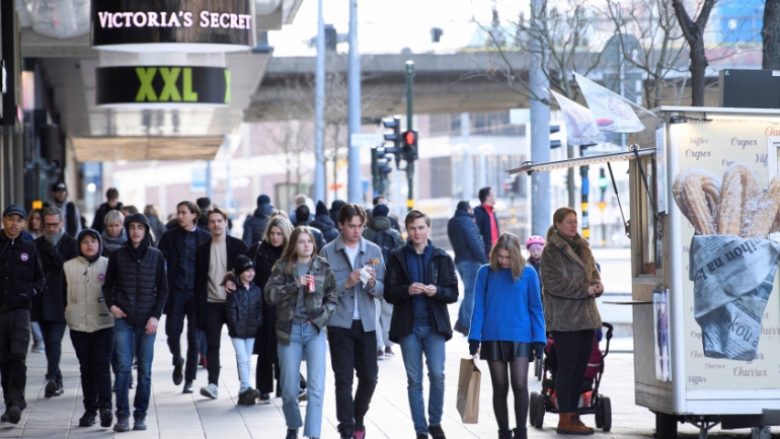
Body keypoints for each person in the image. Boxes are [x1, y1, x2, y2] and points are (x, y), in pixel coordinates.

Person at [384, 210, 459, 439]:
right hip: (409, 327)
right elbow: (389, 293)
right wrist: (406, 290)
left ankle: (435, 422)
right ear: (407, 230)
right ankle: (421, 429)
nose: (417, 232)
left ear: (428, 229)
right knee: (414, 380)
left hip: (435, 326)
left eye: (421, 227)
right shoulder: (397, 257)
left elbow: (453, 293)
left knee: (437, 374)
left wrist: (437, 291)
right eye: (412, 228)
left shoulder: (441, 256)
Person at [468, 233, 546, 439]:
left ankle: (521, 432)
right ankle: (503, 431)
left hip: (522, 335)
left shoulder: (529, 274)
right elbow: (479, 307)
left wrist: (539, 339)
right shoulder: (485, 272)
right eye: (500, 256)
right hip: (493, 335)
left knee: (520, 384)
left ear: (516, 255)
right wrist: (474, 337)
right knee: (500, 386)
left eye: (508, 257)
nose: (504, 261)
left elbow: (536, 308)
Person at [319, 203, 385, 439]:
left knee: (369, 377)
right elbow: (322, 291)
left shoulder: (374, 251)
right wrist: (346, 283)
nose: (357, 231)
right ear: (341, 224)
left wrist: (371, 284)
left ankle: (358, 417)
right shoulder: (328, 251)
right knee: (343, 379)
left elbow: (382, 290)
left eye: (360, 226)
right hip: (339, 323)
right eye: (352, 226)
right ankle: (347, 428)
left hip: (367, 323)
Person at [266, 226, 338, 439]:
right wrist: (295, 285)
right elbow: (269, 295)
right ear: (294, 245)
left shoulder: (322, 266)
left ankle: (313, 434)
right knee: (289, 389)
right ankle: (293, 424)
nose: (306, 245)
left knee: (316, 387)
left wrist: (322, 318)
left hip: (314, 330)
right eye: (301, 241)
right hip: (289, 332)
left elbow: (332, 296)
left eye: (309, 241)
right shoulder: (282, 267)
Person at [540, 207, 603, 436]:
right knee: (566, 369)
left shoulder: (583, 247)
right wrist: (582, 289)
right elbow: (552, 284)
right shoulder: (551, 251)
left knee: (580, 369)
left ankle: (574, 415)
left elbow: (593, 273)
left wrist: (597, 286)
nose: (574, 225)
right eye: (569, 222)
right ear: (557, 224)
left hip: (587, 317)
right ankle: (565, 418)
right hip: (565, 319)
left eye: (575, 221)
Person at [103, 213, 168, 432]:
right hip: (124, 320)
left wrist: (156, 316)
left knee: (145, 371)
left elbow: (163, 290)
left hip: (147, 322)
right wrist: (111, 305)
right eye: (132, 227)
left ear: (146, 230)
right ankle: (122, 416)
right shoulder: (118, 255)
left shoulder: (156, 256)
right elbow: (107, 285)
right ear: (127, 230)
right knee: (122, 368)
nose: (136, 231)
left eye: (140, 227)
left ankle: (140, 415)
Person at [157, 201, 210, 394]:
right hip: (176, 292)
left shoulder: (205, 237)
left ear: (194, 215)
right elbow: (157, 257)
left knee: (194, 338)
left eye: (183, 212)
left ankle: (189, 379)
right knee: (172, 333)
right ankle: (177, 360)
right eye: (178, 212)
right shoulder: (170, 236)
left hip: (197, 294)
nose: (180, 216)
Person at [63, 229, 114, 428]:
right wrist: (68, 314)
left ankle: (106, 409)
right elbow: (62, 294)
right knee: (86, 368)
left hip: (104, 324)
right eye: (85, 241)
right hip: (78, 326)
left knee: (101, 365)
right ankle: (90, 410)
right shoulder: (68, 266)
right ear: (79, 245)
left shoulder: (108, 265)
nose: (89, 245)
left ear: (99, 243)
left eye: (93, 241)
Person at [195, 207, 248, 399]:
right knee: (212, 346)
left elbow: (248, 274)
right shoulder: (202, 250)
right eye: (212, 221)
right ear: (208, 225)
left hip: (233, 304)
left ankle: (245, 384)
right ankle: (213, 384)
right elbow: (198, 280)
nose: (216, 224)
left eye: (219, 220)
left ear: (226, 222)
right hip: (211, 304)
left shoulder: (238, 246)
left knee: (240, 346)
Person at [0, 204, 45, 424]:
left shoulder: (29, 246)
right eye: (10, 219)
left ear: (24, 223)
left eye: (19, 220)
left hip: (21, 312)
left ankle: (17, 402)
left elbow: (40, 278)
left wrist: (31, 292)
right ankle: (10, 405)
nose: (14, 224)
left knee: (18, 356)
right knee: (4, 360)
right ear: (3, 220)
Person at [247, 216, 293, 403]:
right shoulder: (259, 250)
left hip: (286, 306)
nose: (275, 237)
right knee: (265, 348)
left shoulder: (292, 252)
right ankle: (264, 388)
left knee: (284, 347)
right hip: (264, 305)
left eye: (279, 233)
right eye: (272, 233)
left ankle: (284, 387)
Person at [33, 206, 78, 398]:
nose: (51, 229)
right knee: (49, 343)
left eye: (55, 225)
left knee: (54, 341)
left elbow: (69, 269)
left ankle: (51, 377)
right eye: (48, 225)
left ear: (61, 224)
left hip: (62, 301)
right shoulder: (37, 244)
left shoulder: (71, 244)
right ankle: (56, 378)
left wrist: (53, 251)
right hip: (41, 301)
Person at [362, 203, 403, 360]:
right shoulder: (394, 233)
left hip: (371, 276)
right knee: (388, 314)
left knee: (374, 312)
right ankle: (388, 346)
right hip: (391, 278)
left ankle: (378, 347)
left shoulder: (366, 233)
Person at [224, 254, 263, 406]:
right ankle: (246, 387)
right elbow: (230, 311)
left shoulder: (256, 289)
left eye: (252, 270)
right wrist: (234, 324)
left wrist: (258, 322)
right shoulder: (233, 289)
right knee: (242, 358)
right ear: (240, 272)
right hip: (237, 332)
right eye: (247, 270)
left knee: (247, 359)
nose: (250, 273)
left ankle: (244, 391)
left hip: (251, 330)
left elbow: (259, 309)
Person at [447, 201, 489, 336]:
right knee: (472, 293)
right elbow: (474, 242)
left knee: (469, 292)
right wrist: (484, 260)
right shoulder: (466, 222)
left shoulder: (453, 222)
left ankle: (462, 323)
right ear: (468, 209)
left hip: (460, 260)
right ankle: (468, 325)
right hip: (471, 261)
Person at [26, 209, 45, 353]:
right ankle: (39, 340)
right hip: (30, 279)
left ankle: (40, 340)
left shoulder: (47, 238)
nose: (34, 221)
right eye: (32, 218)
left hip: (44, 279)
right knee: (32, 312)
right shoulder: (26, 237)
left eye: (38, 218)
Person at [474, 186, 500, 258]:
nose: (495, 197)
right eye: (493, 195)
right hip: (485, 253)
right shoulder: (477, 212)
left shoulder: (492, 212)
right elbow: (476, 234)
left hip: (496, 251)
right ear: (488, 197)